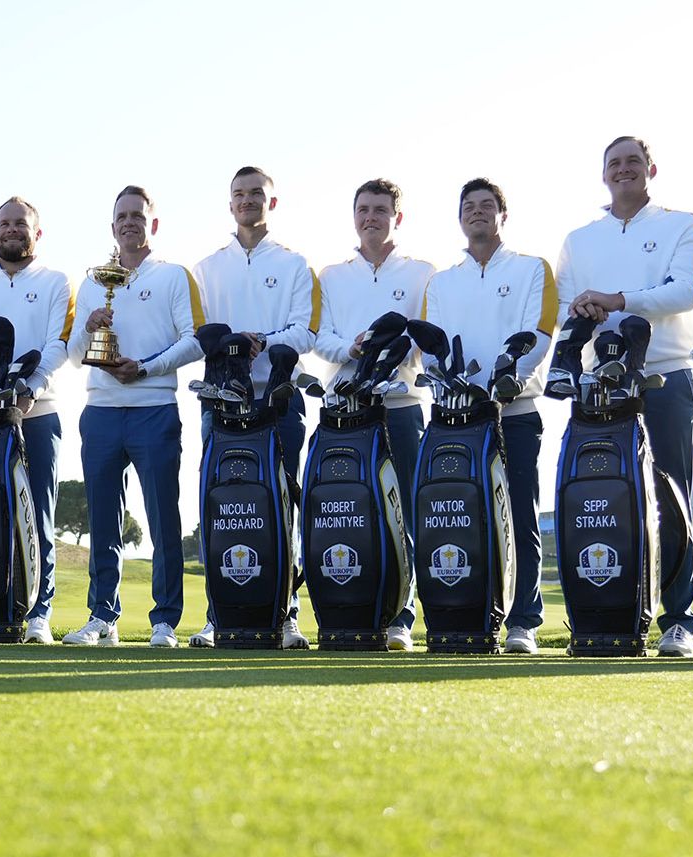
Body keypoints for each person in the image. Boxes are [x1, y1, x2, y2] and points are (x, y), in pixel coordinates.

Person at [559, 136, 693, 657]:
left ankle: (679, 619)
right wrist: (586, 313)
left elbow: (685, 291)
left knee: (672, 497)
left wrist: (615, 301)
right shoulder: (580, 238)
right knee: (609, 502)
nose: (623, 170)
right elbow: (565, 310)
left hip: (664, 373)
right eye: (614, 163)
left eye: (633, 162)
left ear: (651, 169)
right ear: (603, 175)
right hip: (600, 383)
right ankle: (619, 613)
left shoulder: (679, 223)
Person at [60, 186, 203, 648]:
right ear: (112, 226)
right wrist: (88, 327)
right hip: (100, 411)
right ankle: (103, 616)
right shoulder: (92, 282)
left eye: (138, 216)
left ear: (152, 224)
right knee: (102, 518)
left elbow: (194, 339)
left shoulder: (172, 277)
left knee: (162, 518)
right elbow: (75, 356)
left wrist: (146, 366)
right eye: (121, 216)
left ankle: (164, 621)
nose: (129, 223)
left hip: (153, 408)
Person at [421, 178, 558, 655]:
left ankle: (523, 621)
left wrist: (508, 379)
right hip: (455, 417)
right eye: (469, 207)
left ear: (503, 214)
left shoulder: (531, 269)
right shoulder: (441, 281)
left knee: (519, 515)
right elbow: (430, 349)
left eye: (487, 206)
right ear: (460, 218)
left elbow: (538, 334)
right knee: (459, 518)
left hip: (514, 411)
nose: (477, 213)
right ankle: (468, 615)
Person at [191, 166, 319, 649]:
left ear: (272, 202)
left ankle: (287, 614)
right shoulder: (207, 268)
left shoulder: (292, 264)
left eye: (256, 194)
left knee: (284, 504)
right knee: (219, 504)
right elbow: (195, 335)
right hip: (220, 402)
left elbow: (304, 331)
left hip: (279, 400)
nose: (247, 201)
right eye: (239, 195)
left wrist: (259, 340)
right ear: (230, 205)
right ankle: (217, 612)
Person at [313, 178, 435, 651]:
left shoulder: (422, 272)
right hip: (346, 409)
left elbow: (428, 339)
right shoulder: (332, 276)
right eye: (363, 209)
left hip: (401, 406)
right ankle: (358, 607)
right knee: (351, 512)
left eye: (380, 210)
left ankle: (402, 614)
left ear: (396, 217)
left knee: (403, 510)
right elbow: (318, 338)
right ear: (354, 216)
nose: (371, 217)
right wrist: (352, 345)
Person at [0, 197, 74, 644]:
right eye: (4, 224)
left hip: (38, 414)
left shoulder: (56, 282)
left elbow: (57, 344)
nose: (12, 230)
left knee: (37, 513)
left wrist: (29, 389)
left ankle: (39, 612)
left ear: (36, 233)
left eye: (20, 224)